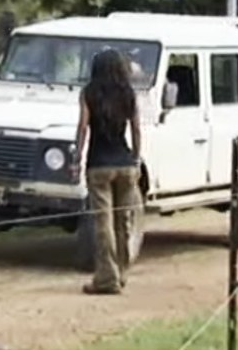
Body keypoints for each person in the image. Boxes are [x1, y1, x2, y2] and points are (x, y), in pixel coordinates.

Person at [73, 49, 143, 295]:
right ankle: (122, 272)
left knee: (103, 223)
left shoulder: (89, 93)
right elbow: (135, 129)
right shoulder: (128, 94)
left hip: (99, 164)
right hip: (125, 163)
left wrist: (76, 159)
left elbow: (83, 128)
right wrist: (136, 158)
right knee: (123, 220)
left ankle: (106, 277)